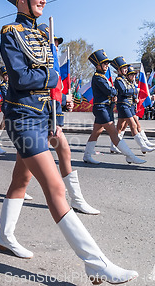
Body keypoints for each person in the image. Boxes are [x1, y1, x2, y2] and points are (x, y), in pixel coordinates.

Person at [0, 0, 138, 283]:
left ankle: (5, 236)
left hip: (43, 117)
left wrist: (61, 95)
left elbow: (47, 81)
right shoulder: (11, 33)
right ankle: (96, 263)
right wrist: (50, 78)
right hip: (22, 120)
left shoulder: (45, 34)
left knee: (21, 181)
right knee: (56, 189)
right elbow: (20, 78)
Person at [38, 24, 100, 214]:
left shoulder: (54, 64)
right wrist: (63, 98)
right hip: (40, 114)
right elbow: (40, 88)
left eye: (56, 42)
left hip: (53, 113)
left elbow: (56, 88)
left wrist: (65, 101)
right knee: (53, 153)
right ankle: (75, 200)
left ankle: (76, 199)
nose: (55, 45)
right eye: (51, 42)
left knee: (27, 164)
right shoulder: (39, 62)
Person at [82, 50, 145, 165]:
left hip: (105, 107)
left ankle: (87, 155)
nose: (106, 65)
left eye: (107, 63)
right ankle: (130, 156)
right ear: (98, 65)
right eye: (104, 63)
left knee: (96, 132)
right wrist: (116, 92)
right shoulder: (98, 78)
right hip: (102, 108)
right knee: (114, 133)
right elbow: (109, 90)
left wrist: (113, 94)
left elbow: (110, 91)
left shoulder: (101, 76)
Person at [110, 58, 155, 154]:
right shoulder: (118, 80)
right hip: (123, 105)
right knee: (133, 125)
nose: (126, 70)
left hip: (128, 105)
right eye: (124, 68)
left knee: (120, 127)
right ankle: (143, 146)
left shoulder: (124, 80)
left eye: (126, 68)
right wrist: (135, 91)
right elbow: (124, 91)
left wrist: (134, 96)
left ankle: (114, 145)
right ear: (119, 70)